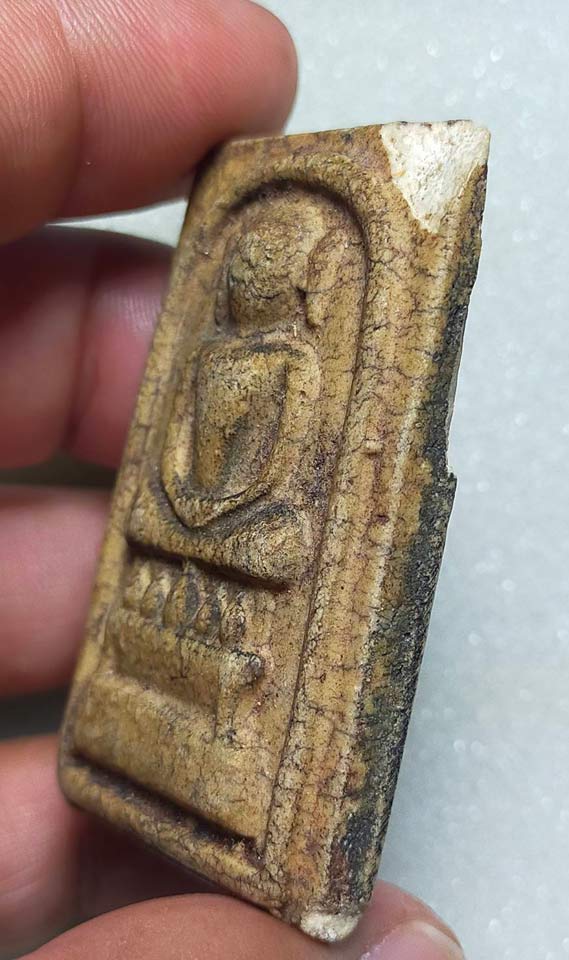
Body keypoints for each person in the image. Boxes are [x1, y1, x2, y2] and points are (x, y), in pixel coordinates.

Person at [0, 2, 464, 958]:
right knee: (151, 541)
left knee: (286, 548)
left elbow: (283, 475)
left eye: (264, 268)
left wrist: (225, 517)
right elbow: (174, 457)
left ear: (294, 286)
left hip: (252, 533)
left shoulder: (295, 363)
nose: (247, 281)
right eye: (241, 266)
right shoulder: (211, 351)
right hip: (188, 529)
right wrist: (183, 507)